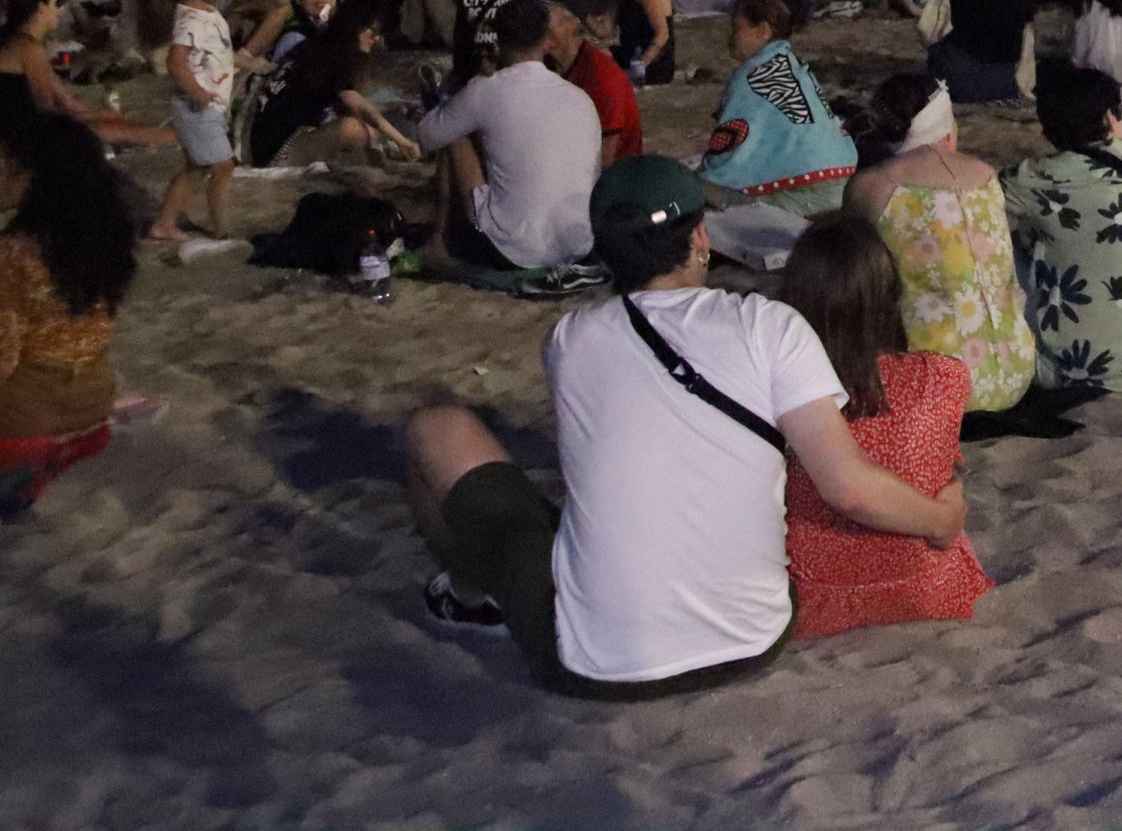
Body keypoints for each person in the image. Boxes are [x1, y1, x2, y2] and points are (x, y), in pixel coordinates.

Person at [401, 154, 967, 696]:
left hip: (592, 665)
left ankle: (468, 596)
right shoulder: (770, 326)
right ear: (699, 238)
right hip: (755, 639)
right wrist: (941, 520)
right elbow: (848, 487)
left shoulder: (571, 340)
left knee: (436, 427)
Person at [776, 212, 994, 633]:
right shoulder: (943, 376)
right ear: (889, 294)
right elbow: (937, 465)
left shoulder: (783, 388)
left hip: (815, 594)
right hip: (927, 587)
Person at [843, 76, 1036, 414]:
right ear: (947, 125)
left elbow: (850, 275)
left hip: (934, 387)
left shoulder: (873, 186)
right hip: (1016, 370)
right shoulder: (986, 175)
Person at [1001, 63, 1122, 392]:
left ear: (1047, 130)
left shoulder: (1034, 180)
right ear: (1109, 117)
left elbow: (978, 196)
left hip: (1075, 372)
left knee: (1003, 247)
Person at [0, 115, 143, 512]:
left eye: (5, 167)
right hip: (91, 409)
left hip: (24, 426)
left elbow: (3, 360)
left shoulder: (13, 253)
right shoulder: (109, 234)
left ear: (30, 175)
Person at [417, 0, 604, 276]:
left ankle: (439, 241)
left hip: (516, 251)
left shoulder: (485, 89)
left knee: (456, 134)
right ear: (547, 42)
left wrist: (461, 96)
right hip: (581, 242)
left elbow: (427, 135)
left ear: (498, 40)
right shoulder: (579, 97)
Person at [701, 0, 862, 215]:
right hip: (843, 180)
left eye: (737, 29)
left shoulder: (751, 77)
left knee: (697, 188)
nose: (732, 38)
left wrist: (706, 177)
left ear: (763, 30)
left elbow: (729, 149)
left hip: (806, 194)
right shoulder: (796, 68)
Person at [243, 0, 418, 166]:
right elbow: (359, 106)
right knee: (354, 130)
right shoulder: (333, 57)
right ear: (356, 26)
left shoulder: (317, 44)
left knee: (365, 129)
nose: (376, 38)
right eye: (373, 31)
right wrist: (401, 140)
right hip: (276, 152)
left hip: (264, 140)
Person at [0, 0, 171, 152]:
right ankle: (176, 139)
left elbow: (63, 98)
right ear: (41, 8)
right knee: (111, 128)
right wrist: (95, 115)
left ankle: (169, 138)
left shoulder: (22, 42)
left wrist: (97, 113)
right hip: (20, 130)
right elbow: (46, 108)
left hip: (24, 120)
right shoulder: (28, 48)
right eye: (57, 3)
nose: (61, 11)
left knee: (101, 114)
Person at [149, 0, 239, 242]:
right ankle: (223, 231)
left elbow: (213, 55)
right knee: (223, 168)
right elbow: (176, 62)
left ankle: (164, 223)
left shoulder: (206, 14)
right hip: (198, 110)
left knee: (196, 169)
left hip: (204, 109)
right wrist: (199, 93)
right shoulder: (190, 20)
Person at [543, 0, 644, 166]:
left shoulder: (602, 79)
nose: (536, 26)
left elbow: (604, 163)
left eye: (544, 18)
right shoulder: (547, 64)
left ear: (571, 24)